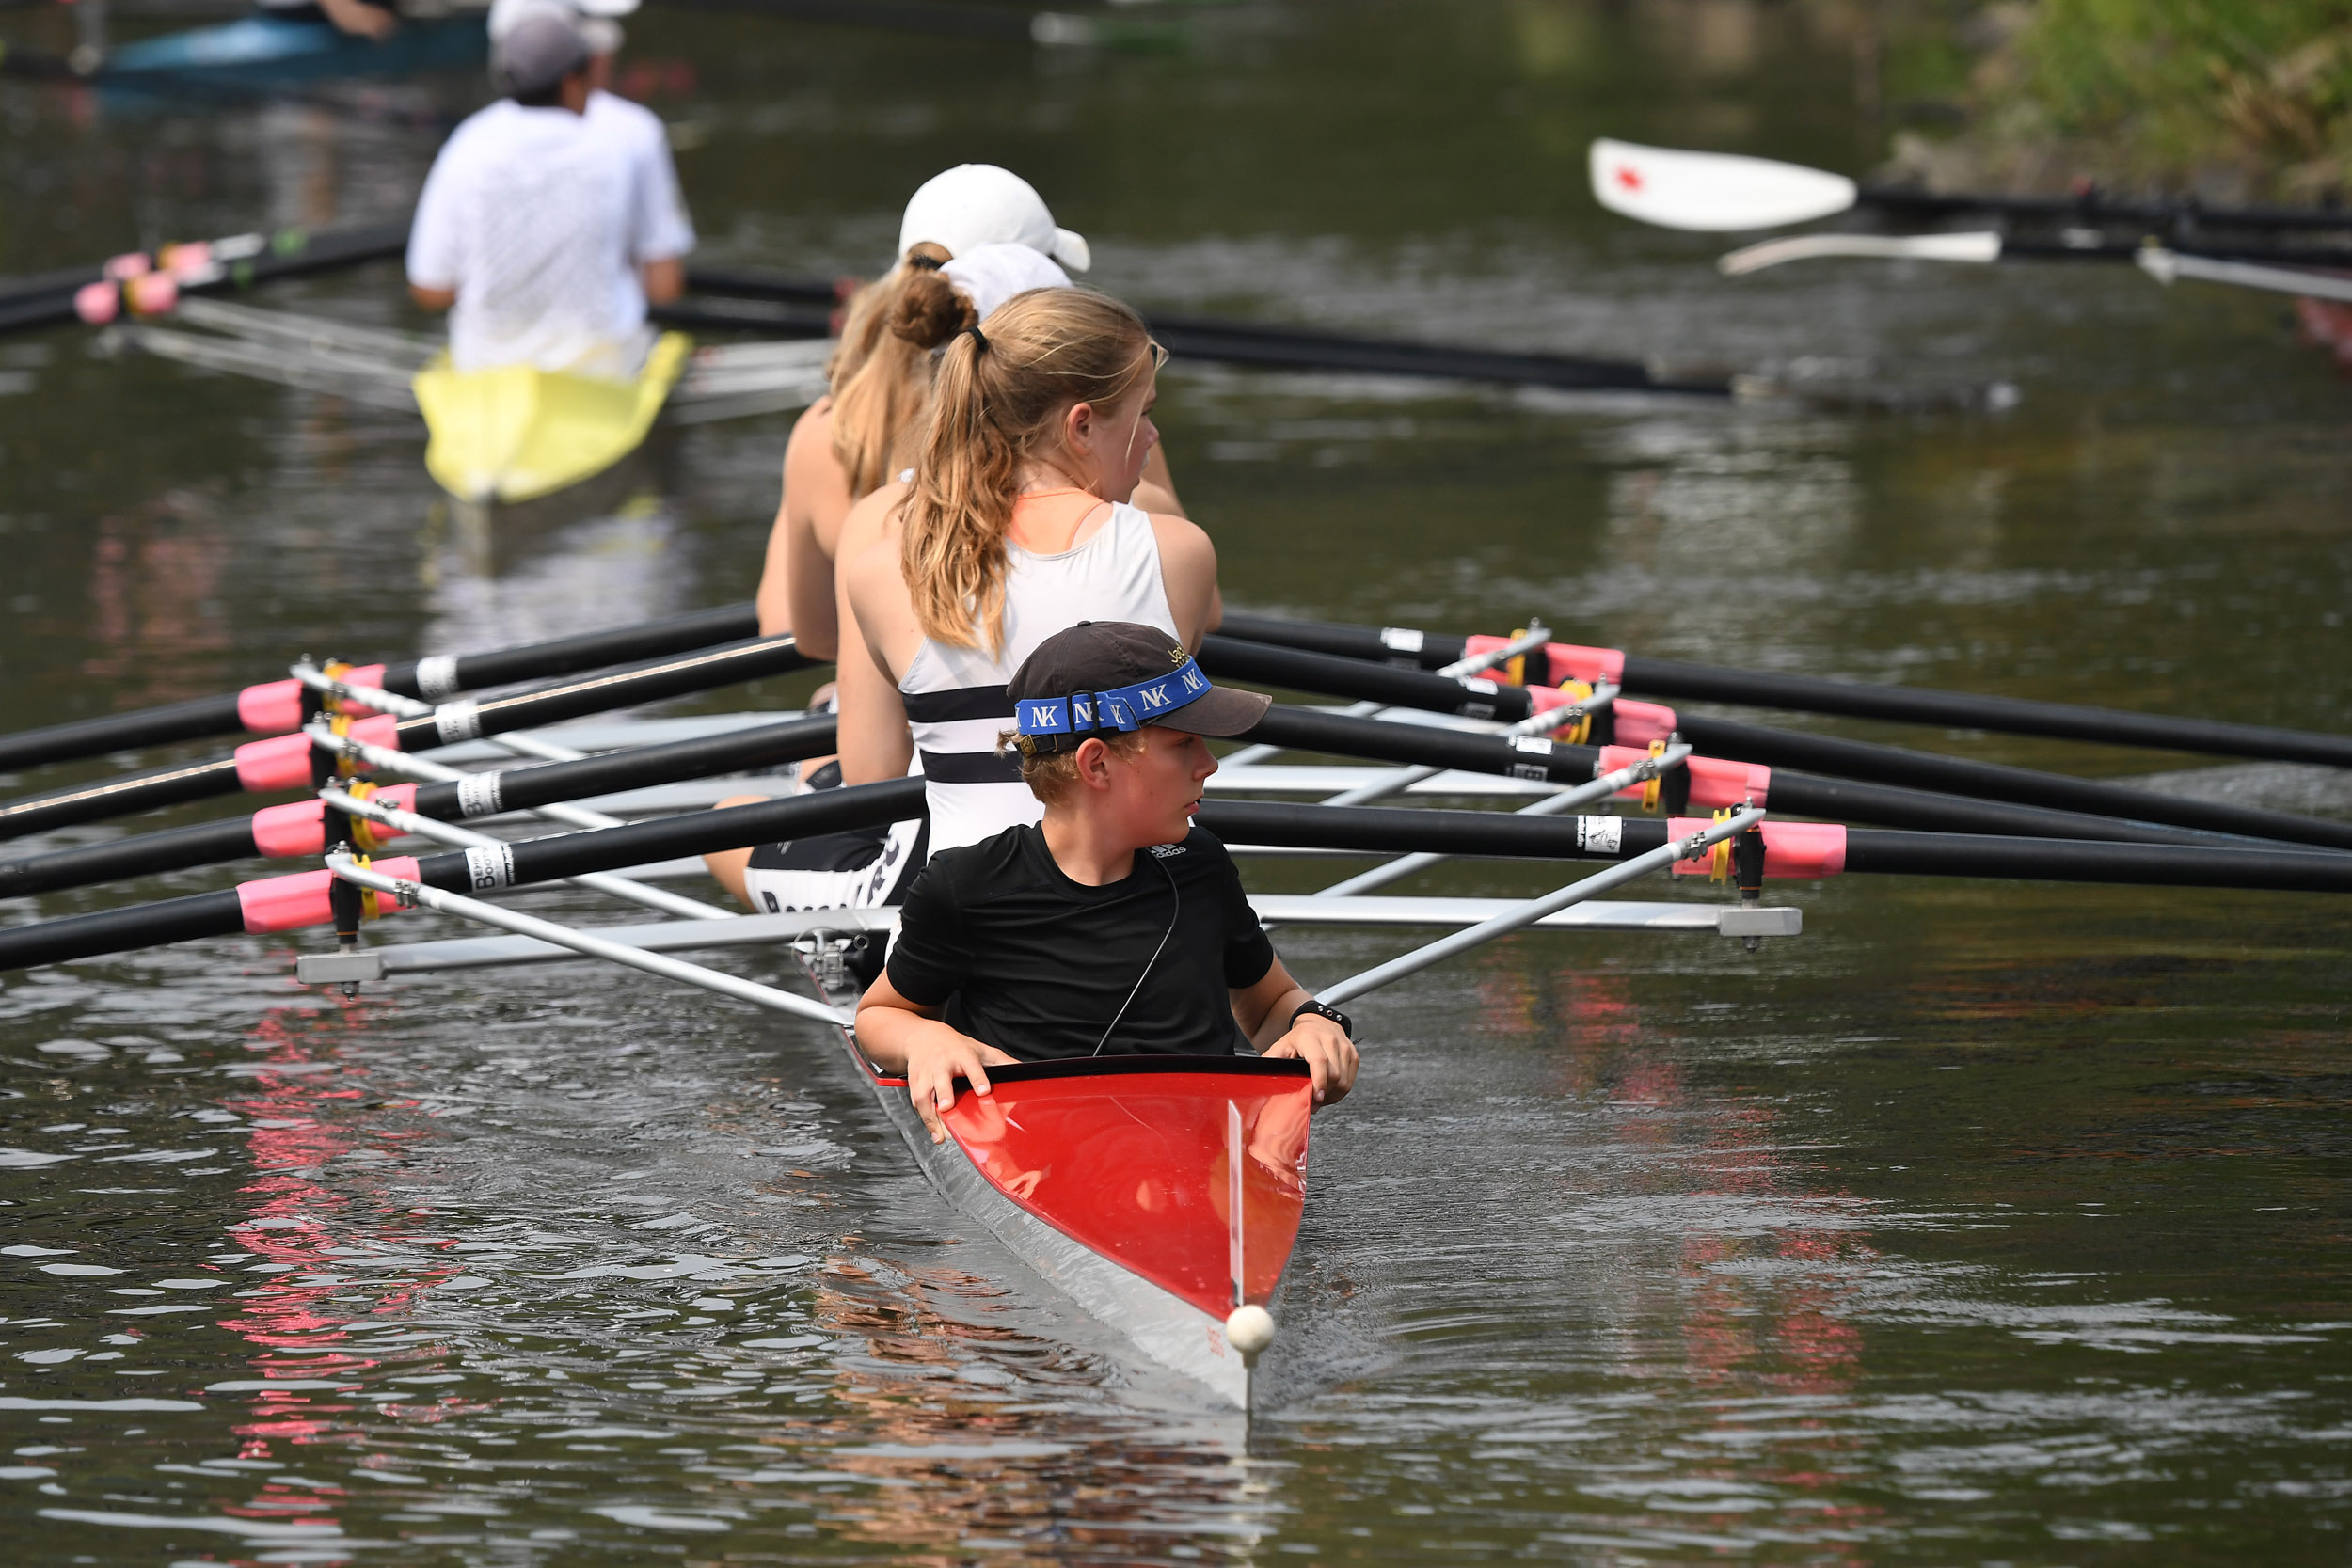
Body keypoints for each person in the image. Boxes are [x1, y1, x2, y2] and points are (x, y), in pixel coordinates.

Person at [854, 622, 1359, 1143]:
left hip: (1200, 1143)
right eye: (1184, 743)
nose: (1208, 764)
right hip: (1036, 1148)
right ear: (1097, 763)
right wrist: (927, 1040)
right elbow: (878, 1016)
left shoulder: (1199, 863)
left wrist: (1313, 1025)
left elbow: (1270, 1003)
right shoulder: (967, 886)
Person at [752, 165, 1184, 657]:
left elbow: (800, 632)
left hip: (902, 700)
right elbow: (1197, 605)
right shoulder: (1107, 423)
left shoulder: (825, 430)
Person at [405, 8, 694, 380]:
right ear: (574, 81)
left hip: (487, 369)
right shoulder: (626, 139)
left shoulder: (467, 144)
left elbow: (431, 290)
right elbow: (664, 286)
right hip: (601, 371)